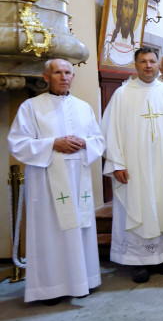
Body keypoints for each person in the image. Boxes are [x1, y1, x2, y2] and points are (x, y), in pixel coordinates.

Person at [101, 47, 163, 283]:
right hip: (133, 166)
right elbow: (110, 131)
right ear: (135, 65)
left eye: (152, 61)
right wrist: (116, 163)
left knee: (162, 206)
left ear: (158, 65)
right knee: (137, 206)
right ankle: (137, 262)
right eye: (143, 61)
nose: (148, 65)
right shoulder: (122, 94)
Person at [8, 59, 105, 305]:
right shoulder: (31, 107)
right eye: (58, 72)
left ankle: (82, 281)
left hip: (78, 179)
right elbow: (17, 143)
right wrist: (53, 143)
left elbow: (98, 139)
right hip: (46, 180)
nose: (64, 77)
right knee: (50, 233)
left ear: (73, 77)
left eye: (68, 73)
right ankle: (51, 288)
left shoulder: (84, 107)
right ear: (46, 76)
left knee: (79, 229)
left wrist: (85, 143)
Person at [106, 0, 139, 67]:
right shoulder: (109, 41)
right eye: (125, 5)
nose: (128, 13)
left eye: (131, 7)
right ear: (119, 7)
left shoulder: (135, 44)